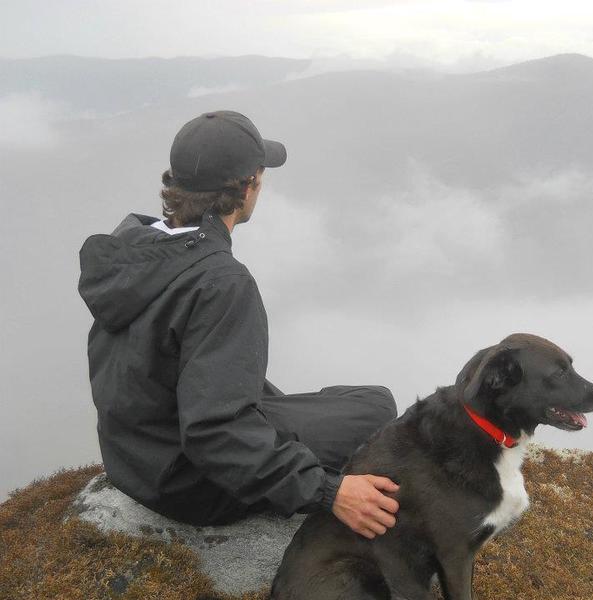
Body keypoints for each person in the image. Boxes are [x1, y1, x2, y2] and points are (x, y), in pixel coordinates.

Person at [78, 110, 400, 539]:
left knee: (352, 398)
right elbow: (214, 433)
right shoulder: (220, 282)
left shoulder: (133, 246)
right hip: (191, 484)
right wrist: (328, 492)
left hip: (138, 457)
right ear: (249, 187)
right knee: (377, 407)